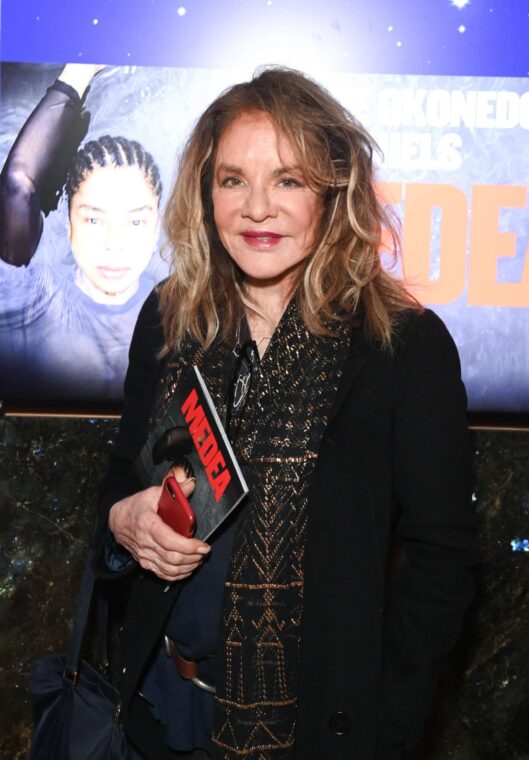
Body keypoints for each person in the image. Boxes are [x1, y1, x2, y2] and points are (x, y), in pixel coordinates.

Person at [94, 67, 478, 759]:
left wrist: (383, 730)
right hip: (157, 704)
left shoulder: (399, 344)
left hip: (316, 729)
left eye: (289, 180)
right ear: (205, 193)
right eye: (232, 179)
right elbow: (122, 478)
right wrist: (124, 521)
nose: (257, 208)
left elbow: (442, 562)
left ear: (334, 194)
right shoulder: (171, 319)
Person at [0, 64, 162, 402]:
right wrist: (80, 69)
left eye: (135, 222)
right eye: (93, 220)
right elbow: (18, 185)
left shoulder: (181, 309)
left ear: (157, 226)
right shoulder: (36, 285)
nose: (114, 246)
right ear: (69, 222)